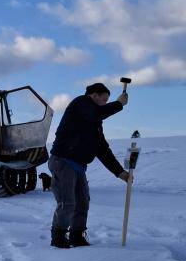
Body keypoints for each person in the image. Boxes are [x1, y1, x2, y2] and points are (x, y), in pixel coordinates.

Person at [49, 81, 129, 248]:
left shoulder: (94, 123)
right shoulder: (81, 103)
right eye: (104, 100)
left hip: (77, 165)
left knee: (82, 201)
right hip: (63, 161)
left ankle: (76, 236)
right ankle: (58, 237)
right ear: (94, 95)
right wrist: (119, 104)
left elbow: (102, 149)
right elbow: (95, 113)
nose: (105, 103)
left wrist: (120, 172)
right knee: (67, 201)